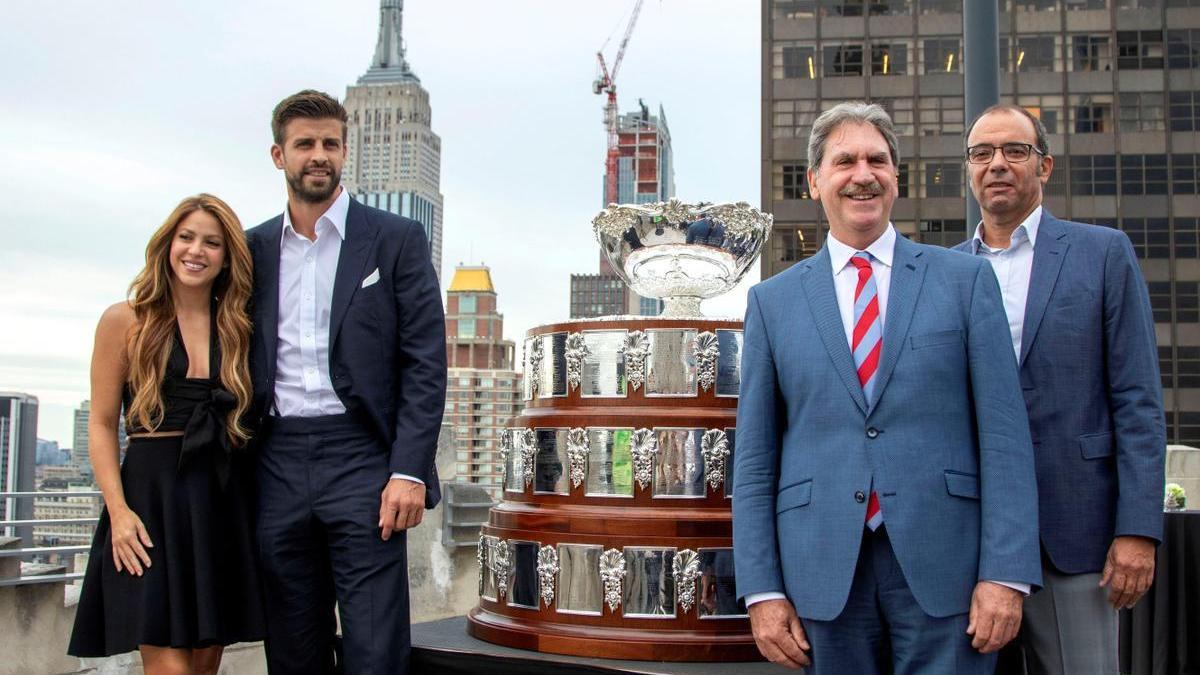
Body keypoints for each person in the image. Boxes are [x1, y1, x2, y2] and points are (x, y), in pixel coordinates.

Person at [731, 101, 1042, 674]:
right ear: (815, 180)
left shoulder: (965, 282)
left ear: (896, 176)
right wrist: (762, 592)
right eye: (844, 160)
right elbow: (754, 460)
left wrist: (1005, 573)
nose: (863, 174)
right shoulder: (771, 303)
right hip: (820, 574)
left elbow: (1004, 438)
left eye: (877, 159)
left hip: (948, 570)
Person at [956, 105, 1166, 675]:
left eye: (1015, 151)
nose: (997, 164)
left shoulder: (1102, 254)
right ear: (969, 170)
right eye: (982, 153)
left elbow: (1138, 403)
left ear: (1043, 165)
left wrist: (1137, 530)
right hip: (969, 543)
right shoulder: (940, 272)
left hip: (1078, 539)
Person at [246, 89, 447, 674]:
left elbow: (425, 362)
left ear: (344, 151)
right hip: (276, 462)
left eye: (330, 143)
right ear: (278, 155)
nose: (319, 155)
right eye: (305, 143)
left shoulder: (395, 238)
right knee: (291, 649)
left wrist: (408, 470)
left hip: (363, 459)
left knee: (376, 650)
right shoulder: (252, 249)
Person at [68, 194, 264, 674]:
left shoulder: (237, 326)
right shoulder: (126, 320)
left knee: (201, 668)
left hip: (218, 503)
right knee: (169, 669)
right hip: (150, 506)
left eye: (212, 242)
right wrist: (118, 513)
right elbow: (100, 424)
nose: (196, 250)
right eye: (187, 237)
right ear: (167, 244)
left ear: (226, 257)